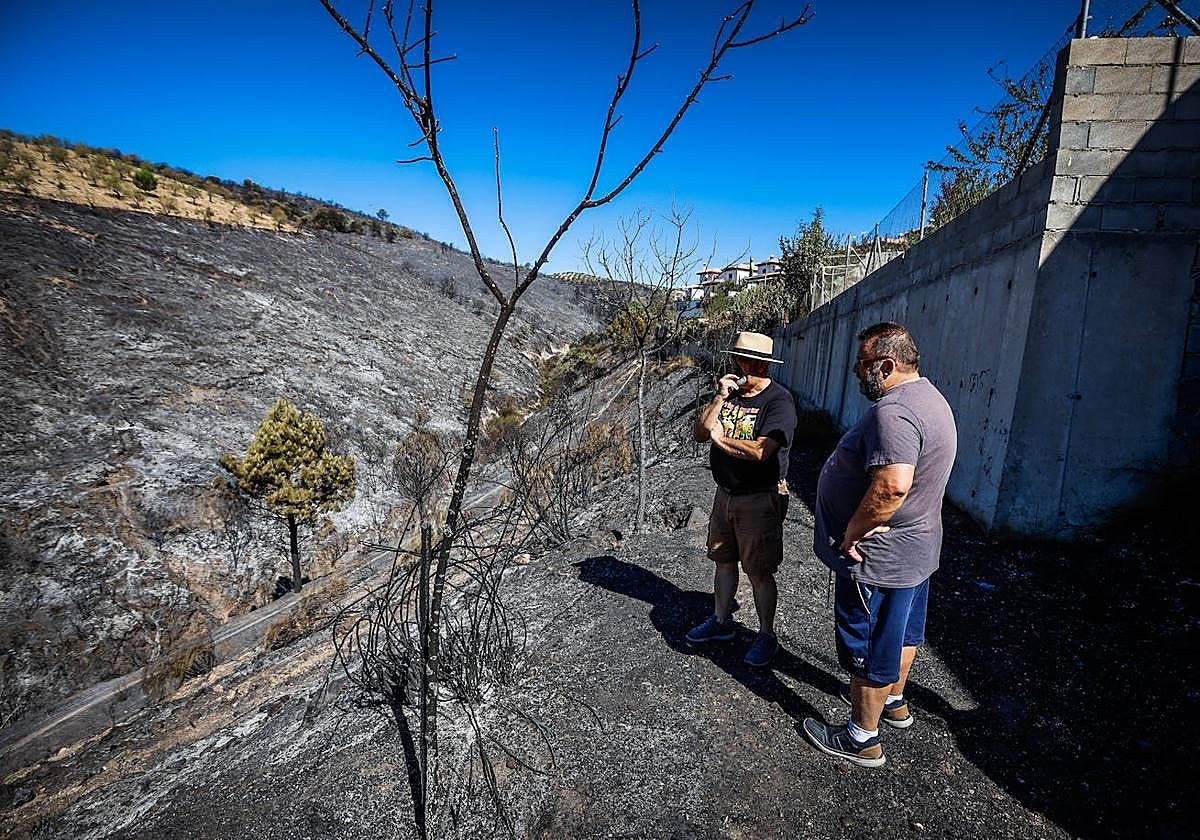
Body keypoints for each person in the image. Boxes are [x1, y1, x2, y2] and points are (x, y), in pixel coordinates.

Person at [802, 321, 957, 768]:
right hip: (916, 549)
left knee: (868, 643)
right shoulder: (930, 397)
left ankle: (861, 738)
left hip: (880, 560)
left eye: (861, 364)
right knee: (904, 632)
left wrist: (851, 532)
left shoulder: (895, 412)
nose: (854, 372)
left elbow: (892, 486)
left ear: (885, 365)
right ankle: (894, 702)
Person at [687, 331, 797, 668]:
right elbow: (700, 433)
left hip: (759, 498)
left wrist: (721, 440)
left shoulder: (778, 402)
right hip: (726, 495)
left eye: (743, 359)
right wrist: (720, 398)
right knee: (723, 559)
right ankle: (722, 622)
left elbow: (763, 451)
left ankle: (766, 635)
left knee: (759, 571)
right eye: (736, 358)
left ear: (762, 364)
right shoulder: (732, 395)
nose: (736, 364)